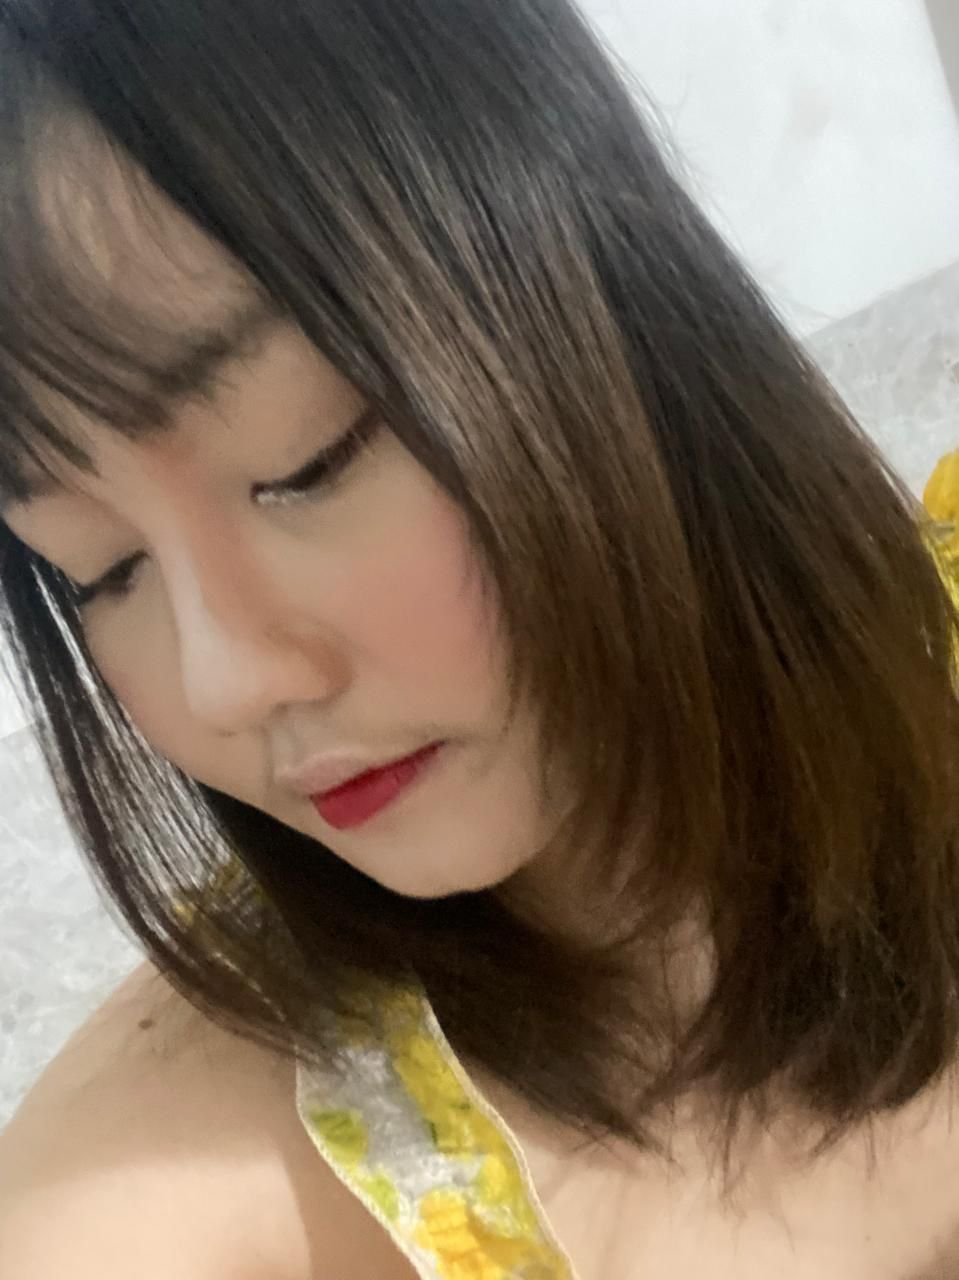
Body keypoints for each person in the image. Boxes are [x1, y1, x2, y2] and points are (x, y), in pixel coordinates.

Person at [0, 0, 957, 1275]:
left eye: (305, 460)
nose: (223, 680)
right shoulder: (154, 1203)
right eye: (103, 570)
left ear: (591, 277)